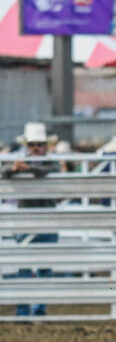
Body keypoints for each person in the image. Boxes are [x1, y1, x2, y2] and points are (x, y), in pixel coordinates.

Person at [1, 122, 60, 317]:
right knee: (24, 267)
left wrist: (27, 169)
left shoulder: (53, 162)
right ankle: (24, 310)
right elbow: (3, 171)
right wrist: (14, 169)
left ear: (46, 146)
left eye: (39, 144)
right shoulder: (17, 161)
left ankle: (39, 309)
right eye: (33, 144)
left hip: (46, 220)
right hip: (26, 220)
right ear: (27, 146)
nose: (36, 148)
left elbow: (52, 170)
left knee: (45, 266)